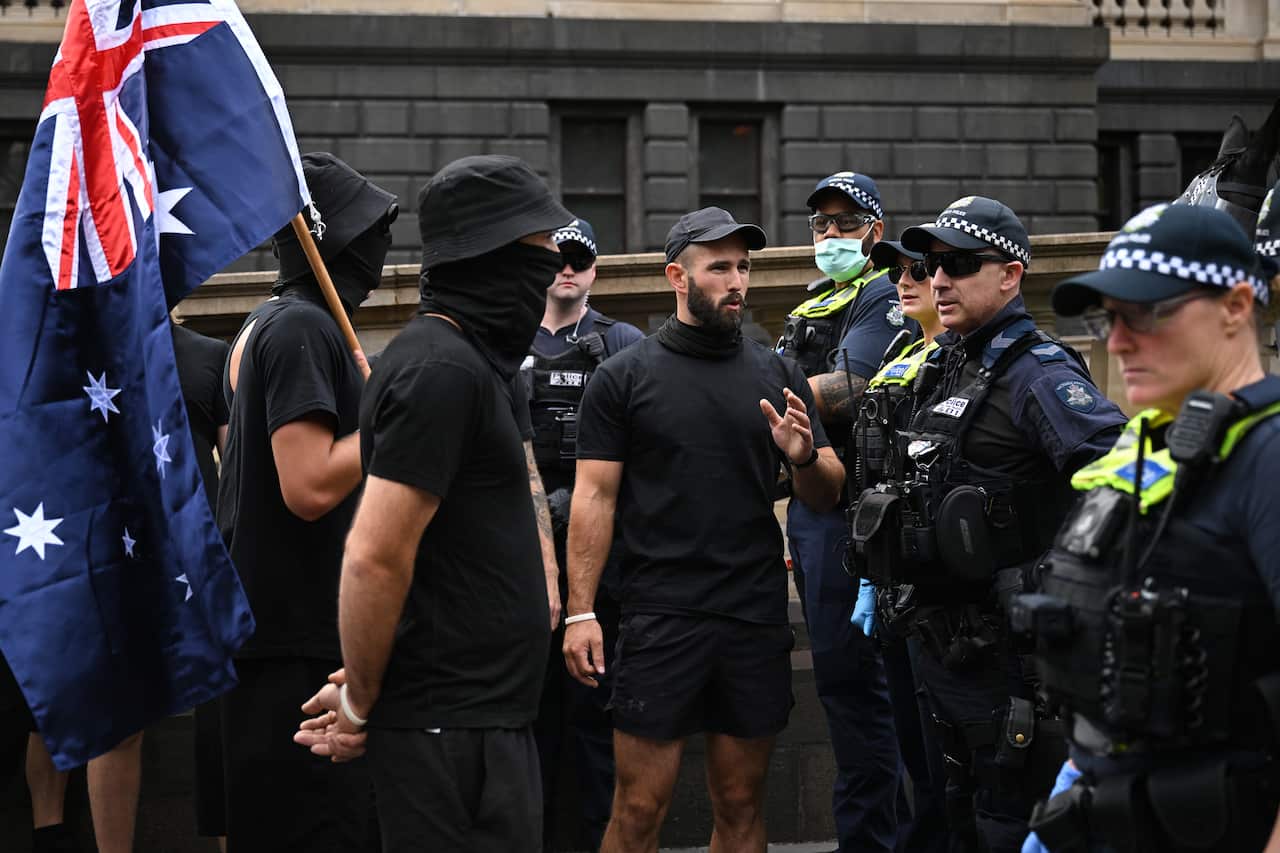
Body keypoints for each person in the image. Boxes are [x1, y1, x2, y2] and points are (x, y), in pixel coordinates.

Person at [292, 155, 571, 852]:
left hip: (480, 724)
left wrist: (368, 682)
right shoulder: (438, 369)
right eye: (540, 248)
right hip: (452, 736)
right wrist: (361, 700)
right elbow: (374, 557)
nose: (553, 265)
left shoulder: (464, 363)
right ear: (492, 254)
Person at [563, 207, 845, 852]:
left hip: (751, 613)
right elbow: (594, 498)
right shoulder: (624, 376)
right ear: (677, 277)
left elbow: (827, 491)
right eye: (719, 267)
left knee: (741, 805)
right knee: (639, 808)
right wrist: (581, 611)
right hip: (660, 614)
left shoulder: (776, 373)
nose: (737, 281)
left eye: (743, 267)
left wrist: (804, 456)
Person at [856, 196, 1126, 853]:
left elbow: (1126, 484)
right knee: (960, 822)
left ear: (1010, 275)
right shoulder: (947, 364)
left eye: (958, 264)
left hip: (1010, 664)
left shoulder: (1038, 372)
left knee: (1008, 825)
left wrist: (1044, 577)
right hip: (945, 651)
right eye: (932, 264)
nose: (938, 279)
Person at [1016, 203, 1280, 852]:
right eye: (1109, 319)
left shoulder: (1267, 457)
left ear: (1236, 307)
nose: (1117, 342)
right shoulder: (1153, 445)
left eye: (1146, 313)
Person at [216, 152, 396, 852]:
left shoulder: (267, 323)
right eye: (372, 230)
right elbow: (311, 486)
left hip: (278, 636)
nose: (383, 247)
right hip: (298, 646)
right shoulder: (301, 328)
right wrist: (394, 421)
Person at [13, 316, 233, 853]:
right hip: (109, 560)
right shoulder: (74, 358)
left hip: (193, 561)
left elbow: (233, 467)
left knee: (220, 715)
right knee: (117, 720)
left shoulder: (210, 356)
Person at [775, 171, 911, 853]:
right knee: (839, 685)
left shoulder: (882, 296)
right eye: (821, 224)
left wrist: (752, 393)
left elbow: (847, 389)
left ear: (875, 231)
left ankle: (873, 841)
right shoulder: (817, 302)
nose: (831, 234)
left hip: (855, 515)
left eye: (846, 223)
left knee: (861, 692)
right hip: (815, 508)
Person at [525, 216, 643, 852]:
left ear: (596, 269)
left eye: (580, 258)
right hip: (521, 561)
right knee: (530, 721)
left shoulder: (621, 343)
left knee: (593, 722)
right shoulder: (508, 337)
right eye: (557, 257)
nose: (567, 268)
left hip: (603, 568)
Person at [850, 237, 952, 853]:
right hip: (892, 577)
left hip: (942, 589)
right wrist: (871, 573)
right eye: (896, 271)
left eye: (919, 270)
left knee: (946, 764)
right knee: (915, 751)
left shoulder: (962, 362)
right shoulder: (902, 352)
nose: (905, 280)